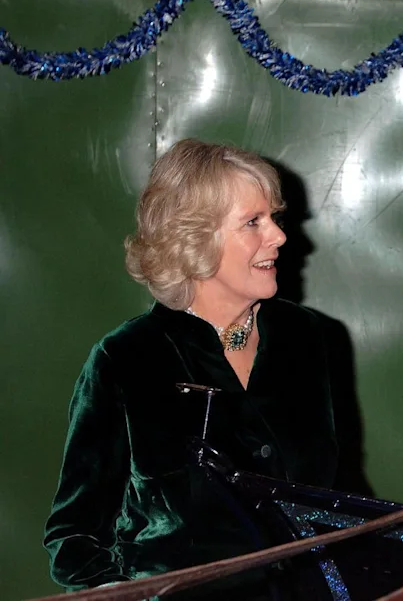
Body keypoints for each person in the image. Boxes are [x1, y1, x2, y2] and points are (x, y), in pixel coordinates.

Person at [43, 139, 339, 598]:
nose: (278, 236)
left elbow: (330, 501)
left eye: (274, 218)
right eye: (253, 222)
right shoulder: (126, 359)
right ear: (195, 239)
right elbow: (74, 537)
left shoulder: (304, 337)